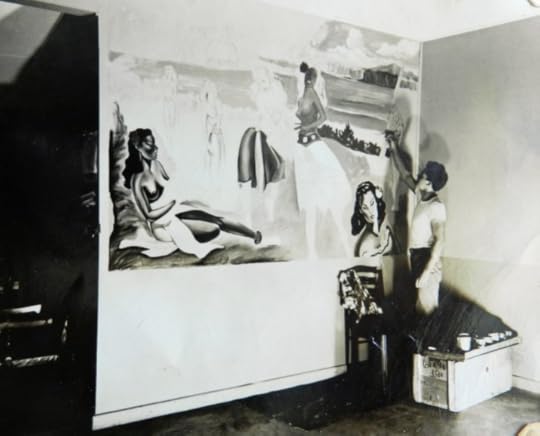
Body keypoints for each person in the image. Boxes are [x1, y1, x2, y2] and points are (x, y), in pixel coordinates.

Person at [119, 128, 262, 259]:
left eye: (154, 143)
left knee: (216, 218)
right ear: (138, 147)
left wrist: (180, 200)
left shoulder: (157, 165)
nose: (155, 148)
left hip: (174, 210)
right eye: (150, 144)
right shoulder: (137, 180)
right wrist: (170, 205)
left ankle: (253, 235)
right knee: (214, 228)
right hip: (161, 224)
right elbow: (148, 215)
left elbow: (170, 184)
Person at [385, 131, 448, 315]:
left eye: (422, 175)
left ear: (428, 183)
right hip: (417, 257)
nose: (419, 175)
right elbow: (405, 175)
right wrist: (393, 146)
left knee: (427, 311)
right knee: (420, 309)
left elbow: (440, 240)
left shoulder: (436, 207)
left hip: (427, 259)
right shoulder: (424, 198)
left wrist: (427, 271)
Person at [294, 62, 352, 258]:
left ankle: (341, 247)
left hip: (312, 144)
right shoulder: (303, 94)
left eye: (310, 79)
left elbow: (323, 117)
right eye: (307, 78)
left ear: (312, 80)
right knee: (308, 202)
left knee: (318, 197)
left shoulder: (311, 93)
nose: (308, 81)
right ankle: (312, 252)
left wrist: (308, 126)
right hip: (302, 146)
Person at [351, 181, 393, 258]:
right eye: (365, 207)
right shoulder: (366, 243)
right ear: (360, 210)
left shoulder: (385, 223)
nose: (370, 211)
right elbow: (365, 256)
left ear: (377, 201)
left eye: (372, 203)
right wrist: (383, 247)